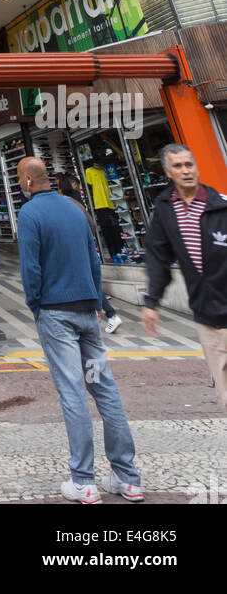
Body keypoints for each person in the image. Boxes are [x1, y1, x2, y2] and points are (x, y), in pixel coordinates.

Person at [17, 156, 142, 504]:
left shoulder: (29, 214)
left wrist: (35, 305)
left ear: (28, 181)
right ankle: (127, 477)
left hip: (56, 316)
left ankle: (84, 480)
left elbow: (30, 267)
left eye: (19, 179)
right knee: (104, 388)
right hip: (88, 311)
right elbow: (93, 258)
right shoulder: (74, 208)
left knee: (72, 392)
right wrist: (98, 302)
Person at [142, 143, 227, 413]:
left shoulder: (221, 206)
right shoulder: (166, 208)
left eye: (189, 164)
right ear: (168, 173)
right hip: (206, 317)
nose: (186, 171)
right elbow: (158, 256)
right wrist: (151, 301)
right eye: (178, 166)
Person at [57, 174, 121, 334]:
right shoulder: (76, 202)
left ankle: (109, 314)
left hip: (79, 249)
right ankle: (106, 314)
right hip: (84, 247)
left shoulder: (66, 204)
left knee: (89, 282)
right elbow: (91, 224)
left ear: (61, 190)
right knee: (90, 282)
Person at [84, 152, 124, 260]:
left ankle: (120, 250)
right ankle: (113, 253)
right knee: (107, 230)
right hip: (99, 204)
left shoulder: (105, 170)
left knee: (116, 228)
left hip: (111, 202)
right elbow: (89, 185)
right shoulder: (89, 171)